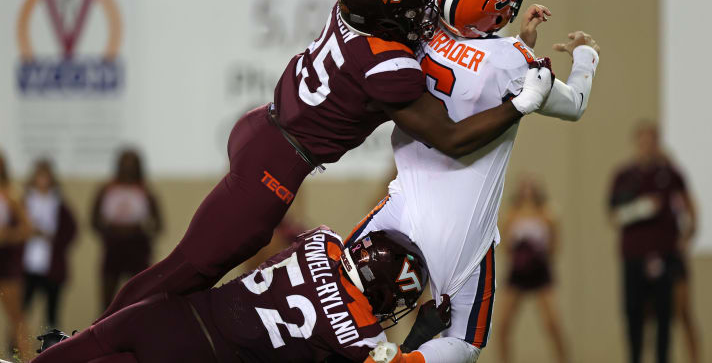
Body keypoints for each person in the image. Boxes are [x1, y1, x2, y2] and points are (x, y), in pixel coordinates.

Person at [96, 0, 555, 324]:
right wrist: (520, 102)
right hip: (275, 166)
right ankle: (85, 345)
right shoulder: (387, 65)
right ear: (389, 20)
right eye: (415, 13)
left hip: (261, 128)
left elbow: (431, 43)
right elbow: (452, 138)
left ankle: (98, 341)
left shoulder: (352, 15)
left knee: (193, 269)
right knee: (188, 270)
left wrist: (517, 44)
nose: (425, 20)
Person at [344, 0, 600, 360]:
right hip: (460, 229)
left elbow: (471, 73)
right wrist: (585, 55)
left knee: (335, 287)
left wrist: (520, 43)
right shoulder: (514, 60)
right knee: (463, 341)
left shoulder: (422, 31)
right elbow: (574, 105)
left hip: (403, 203)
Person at [33, 227, 448, 363]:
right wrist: (420, 336)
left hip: (163, 314)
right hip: (198, 356)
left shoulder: (322, 240)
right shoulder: (359, 334)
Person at [608, 121, 697, 363]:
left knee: (665, 316)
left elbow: (690, 205)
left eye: (652, 141)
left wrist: (687, 237)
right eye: (643, 141)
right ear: (636, 143)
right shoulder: (624, 176)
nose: (647, 146)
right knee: (634, 314)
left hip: (665, 255)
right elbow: (614, 216)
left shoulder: (670, 173)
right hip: (633, 255)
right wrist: (643, 208)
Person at [496, 177, 568, 363]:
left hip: (540, 272)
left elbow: (554, 243)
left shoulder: (547, 213)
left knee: (552, 324)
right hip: (518, 273)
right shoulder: (511, 215)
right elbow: (505, 244)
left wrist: (540, 259)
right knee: (503, 325)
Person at [91, 149, 162, 309]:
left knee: (140, 299)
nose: (128, 168)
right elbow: (94, 220)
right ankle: (106, 332)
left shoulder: (145, 191)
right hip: (113, 248)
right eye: (125, 163)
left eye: (132, 164)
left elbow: (158, 224)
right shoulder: (107, 189)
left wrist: (143, 234)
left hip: (138, 248)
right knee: (107, 302)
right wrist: (108, 234)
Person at [22, 159, 78, 328]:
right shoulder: (24, 201)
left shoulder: (58, 203)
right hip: (28, 264)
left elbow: (71, 231)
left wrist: (53, 238)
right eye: (40, 177)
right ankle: (15, 350)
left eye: (46, 177)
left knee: (51, 315)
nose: (43, 181)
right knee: (21, 311)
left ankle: (51, 351)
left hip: (52, 266)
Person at [0, 151, 33, 361]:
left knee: (16, 318)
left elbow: (27, 229)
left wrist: (7, 236)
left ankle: (25, 358)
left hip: (6, 264)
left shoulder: (11, 194)